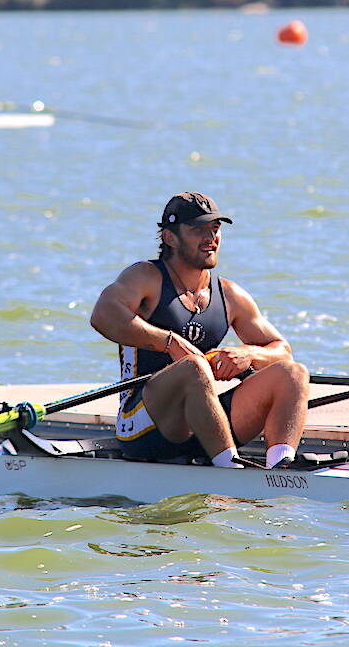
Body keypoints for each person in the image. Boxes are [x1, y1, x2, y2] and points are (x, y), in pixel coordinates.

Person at [90, 192, 310, 469]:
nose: (211, 238)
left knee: (294, 373)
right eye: (198, 230)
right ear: (170, 238)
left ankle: (281, 466)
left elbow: (282, 350)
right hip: (144, 426)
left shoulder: (230, 294)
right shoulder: (145, 277)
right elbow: (103, 315)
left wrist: (247, 355)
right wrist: (169, 342)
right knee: (194, 366)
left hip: (205, 425)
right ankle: (228, 464)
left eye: (215, 229)